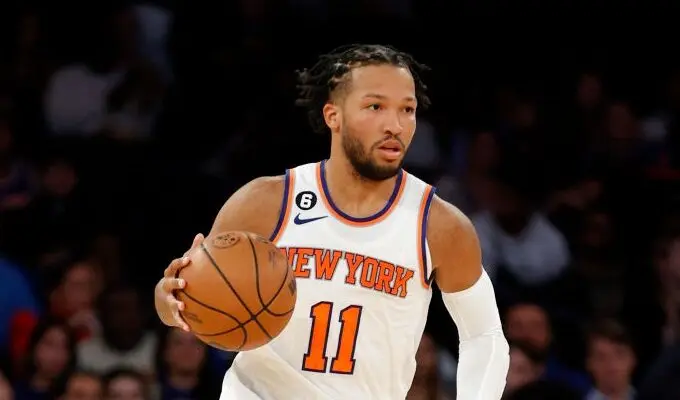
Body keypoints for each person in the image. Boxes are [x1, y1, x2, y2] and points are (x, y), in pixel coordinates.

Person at [154, 44, 509, 399]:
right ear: (332, 115)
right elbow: (188, 303)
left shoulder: (440, 225)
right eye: (375, 106)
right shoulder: (266, 201)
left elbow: (484, 335)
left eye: (408, 109)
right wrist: (170, 301)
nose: (395, 125)